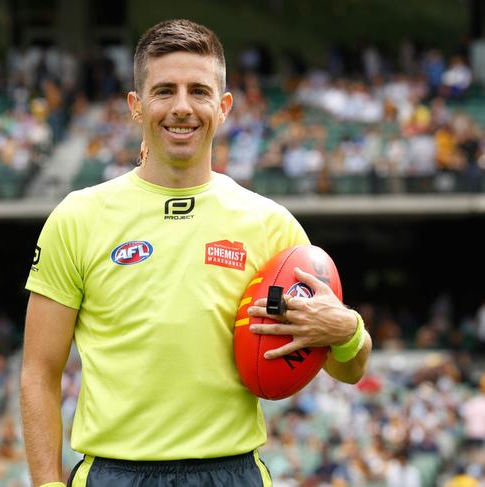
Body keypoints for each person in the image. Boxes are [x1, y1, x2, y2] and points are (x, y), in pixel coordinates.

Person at [21, 19, 372, 487]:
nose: (182, 108)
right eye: (164, 91)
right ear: (136, 106)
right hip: (113, 473)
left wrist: (347, 329)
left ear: (223, 107)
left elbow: (348, 368)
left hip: (231, 472)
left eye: (199, 92)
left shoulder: (271, 225)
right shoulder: (79, 216)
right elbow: (38, 372)